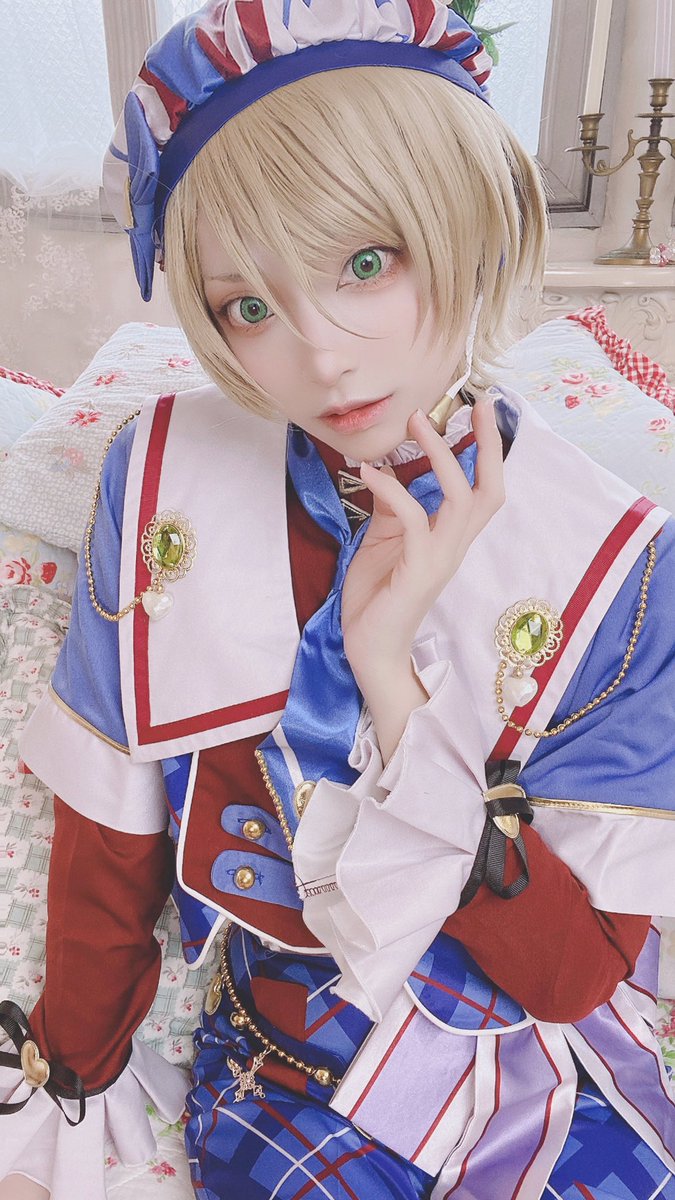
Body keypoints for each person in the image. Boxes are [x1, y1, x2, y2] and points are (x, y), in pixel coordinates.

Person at [1, 2, 675, 1198]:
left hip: (529, 1066)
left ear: (467, 217)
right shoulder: (162, 477)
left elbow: (570, 977)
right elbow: (111, 841)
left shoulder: (616, 559)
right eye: (248, 307)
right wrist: (70, 1070)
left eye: (367, 264)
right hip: (287, 1066)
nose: (321, 356)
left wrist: (389, 678)